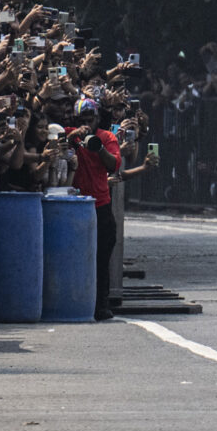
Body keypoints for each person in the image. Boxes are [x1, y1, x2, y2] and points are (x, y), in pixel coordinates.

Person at [66, 99, 121, 321]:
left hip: (100, 204)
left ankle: (101, 303)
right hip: (75, 204)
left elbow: (113, 164)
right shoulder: (71, 134)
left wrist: (96, 146)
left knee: (101, 256)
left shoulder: (108, 137)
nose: (87, 123)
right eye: (83, 119)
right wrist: (76, 135)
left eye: (90, 118)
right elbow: (58, 139)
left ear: (97, 118)